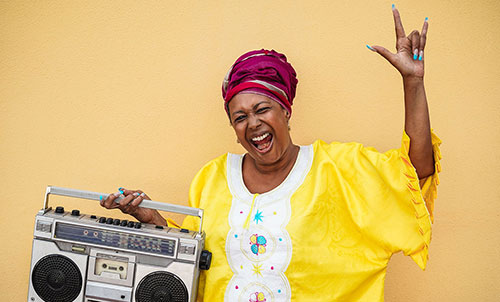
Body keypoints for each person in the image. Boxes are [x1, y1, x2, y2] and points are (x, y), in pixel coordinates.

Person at [101, 6, 442, 301]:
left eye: (262, 109)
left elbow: (416, 172)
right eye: (239, 117)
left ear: (286, 111)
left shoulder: (339, 168)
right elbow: (194, 258)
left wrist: (413, 84)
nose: (253, 124)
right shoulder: (213, 178)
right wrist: (153, 221)